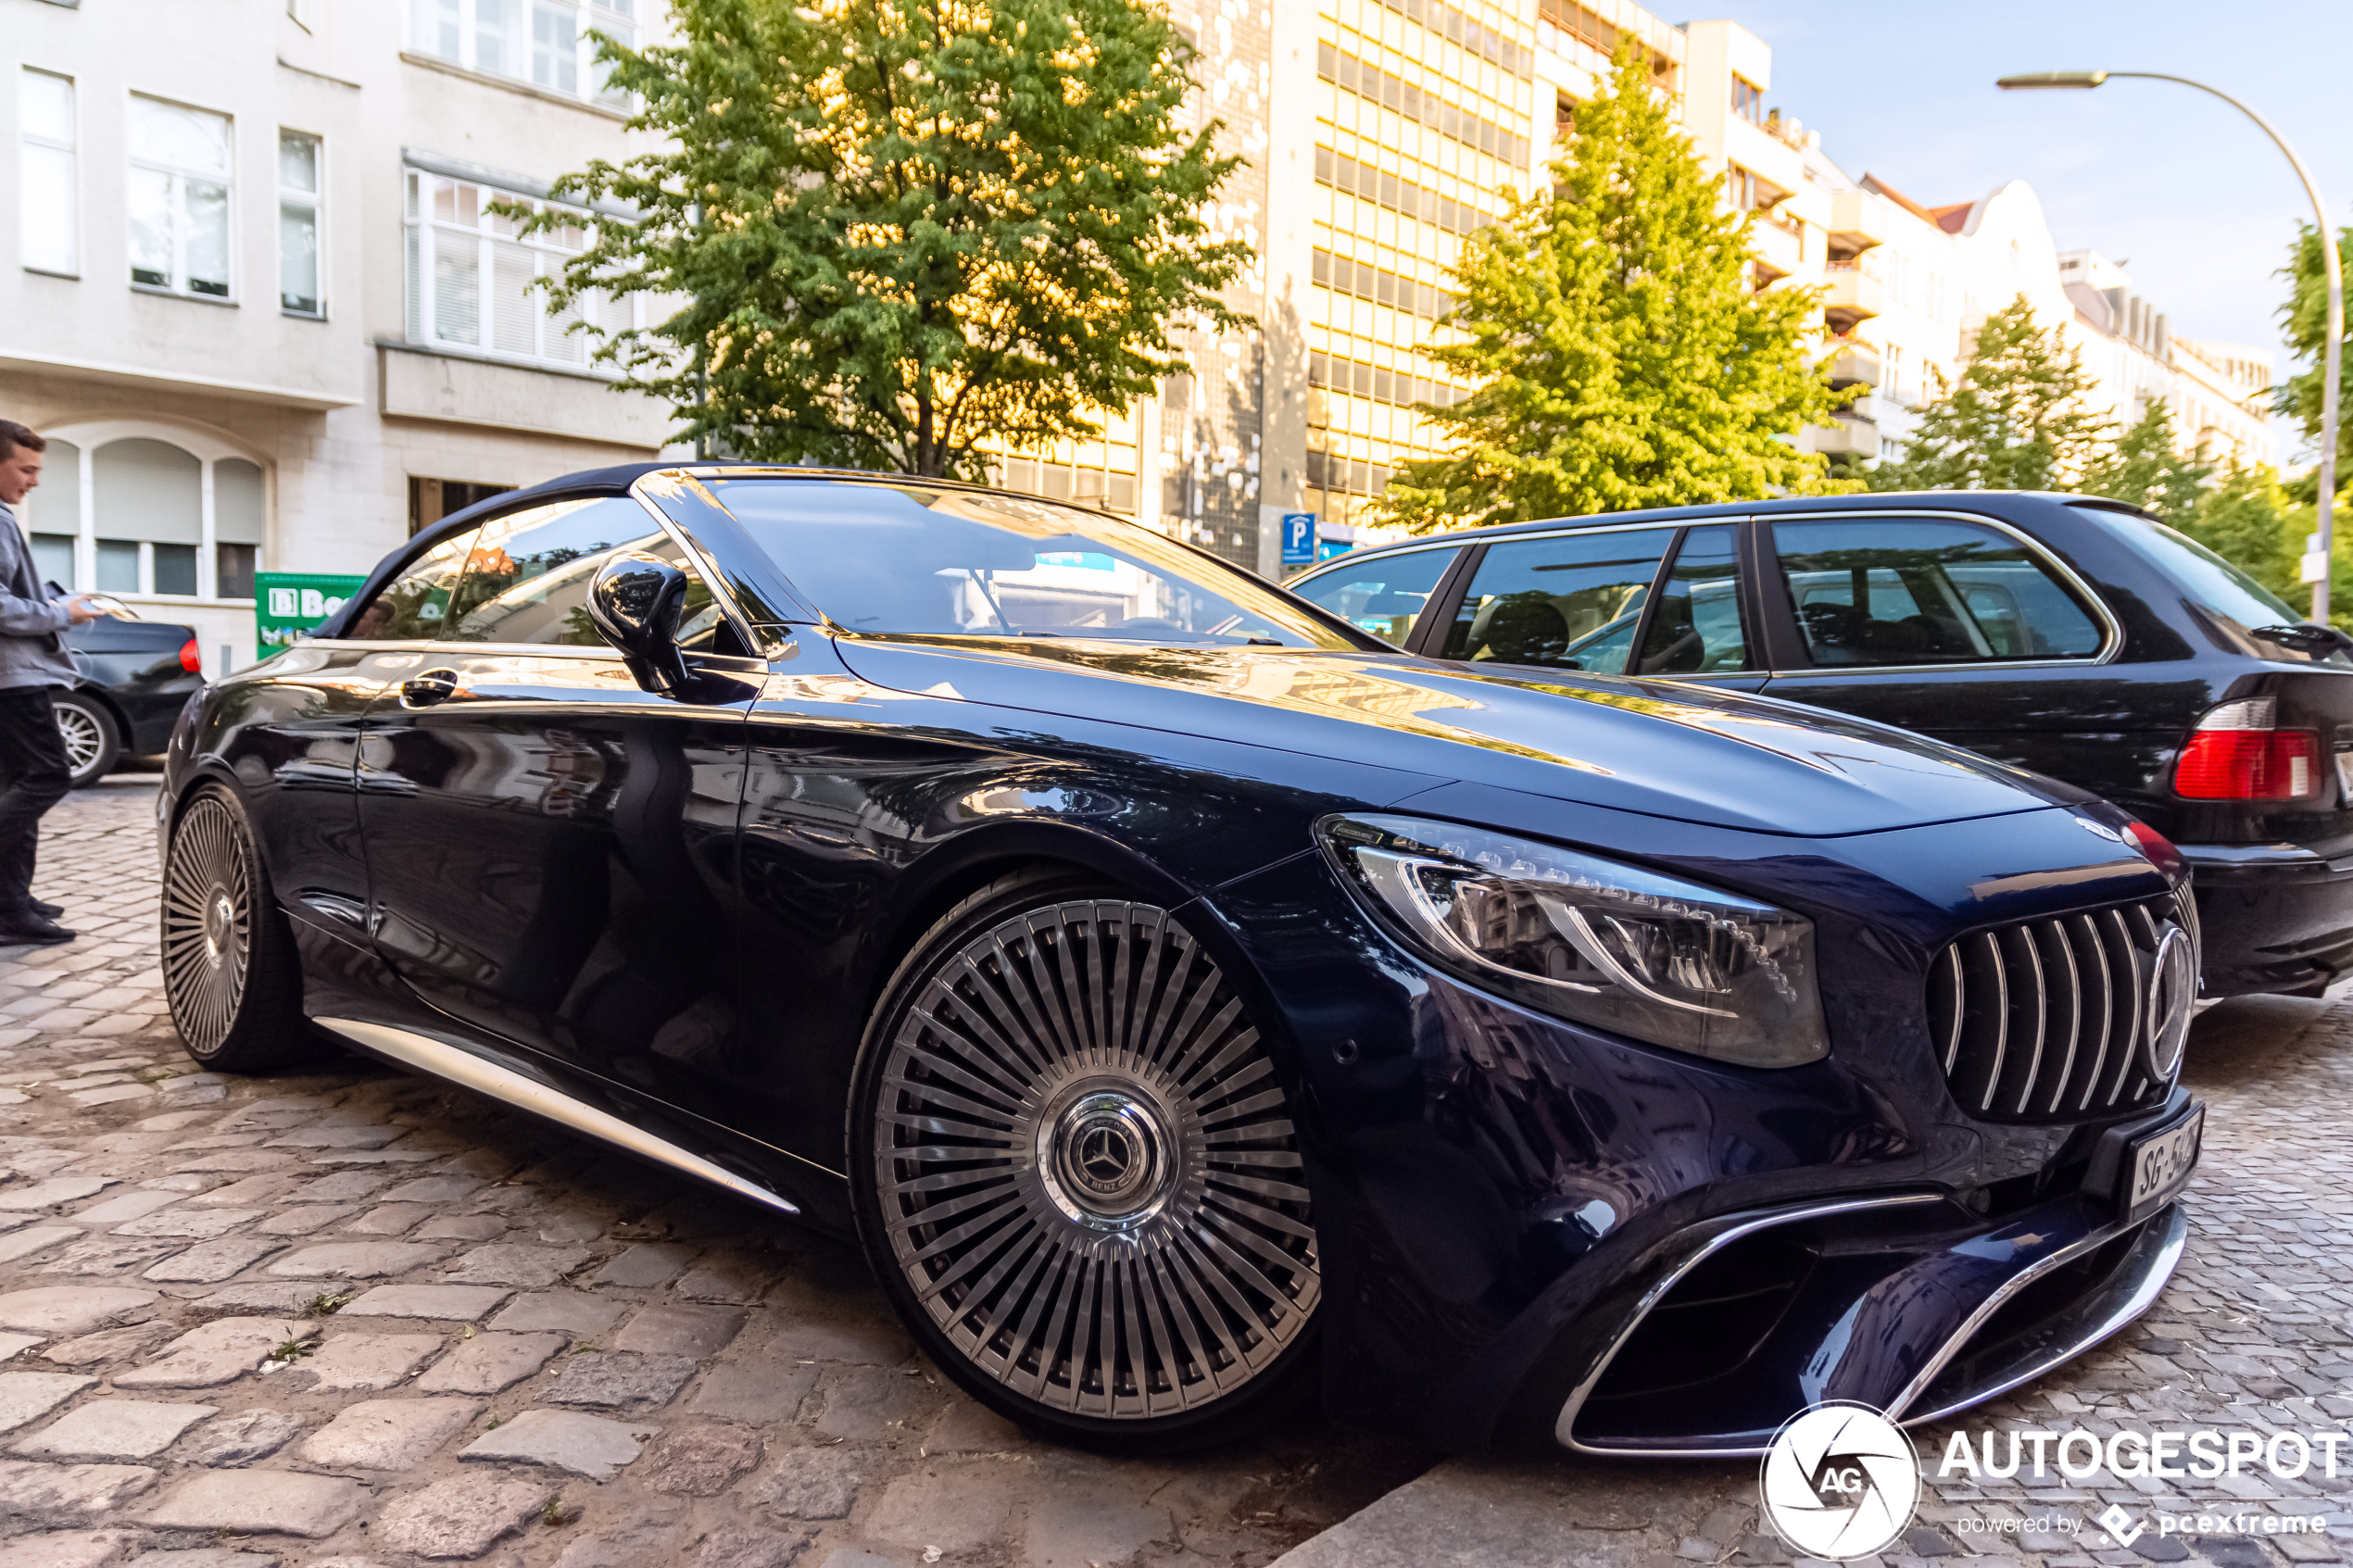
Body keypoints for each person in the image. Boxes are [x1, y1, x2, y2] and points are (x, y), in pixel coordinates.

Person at [0, 420, 103, 947]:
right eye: (27, 468)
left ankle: (12, 904)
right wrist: (60, 612)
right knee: (47, 777)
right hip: (13, 679)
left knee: (16, 783)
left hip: (10, 678)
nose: (34, 481)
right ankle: (11, 905)